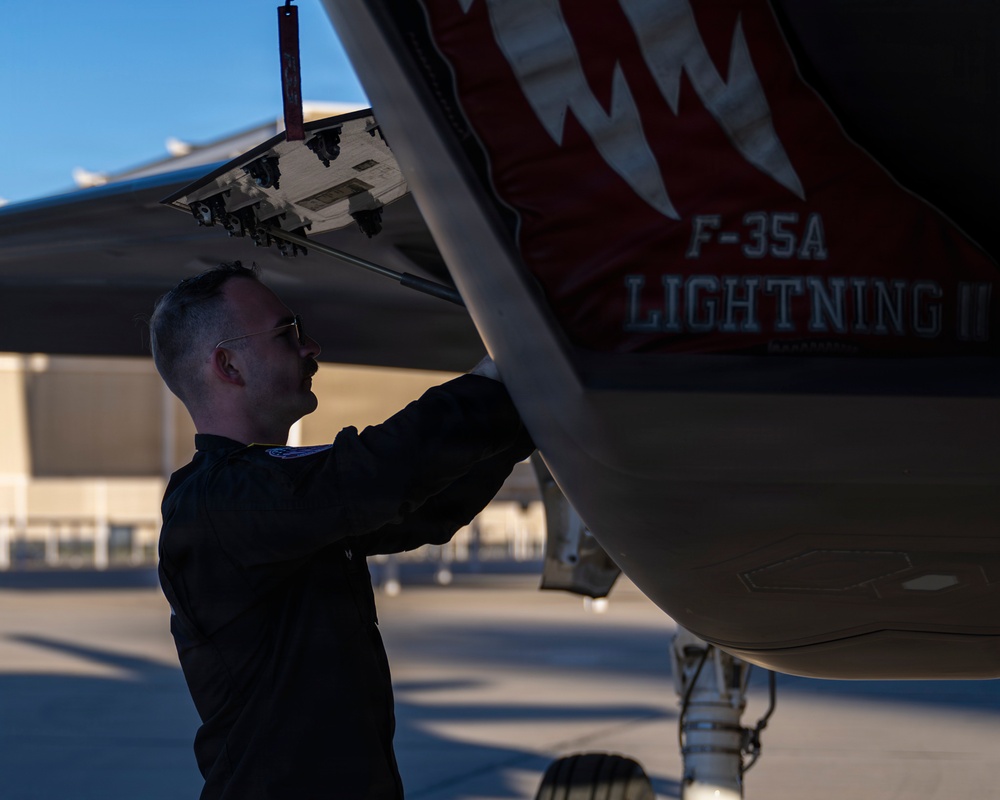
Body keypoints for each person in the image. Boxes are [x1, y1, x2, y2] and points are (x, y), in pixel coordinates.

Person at [148, 262, 533, 799]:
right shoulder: (215, 502)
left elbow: (422, 507)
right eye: (289, 334)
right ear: (228, 364)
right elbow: (370, 475)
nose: (312, 348)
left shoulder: (276, 497)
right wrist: (494, 383)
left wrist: (524, 414)